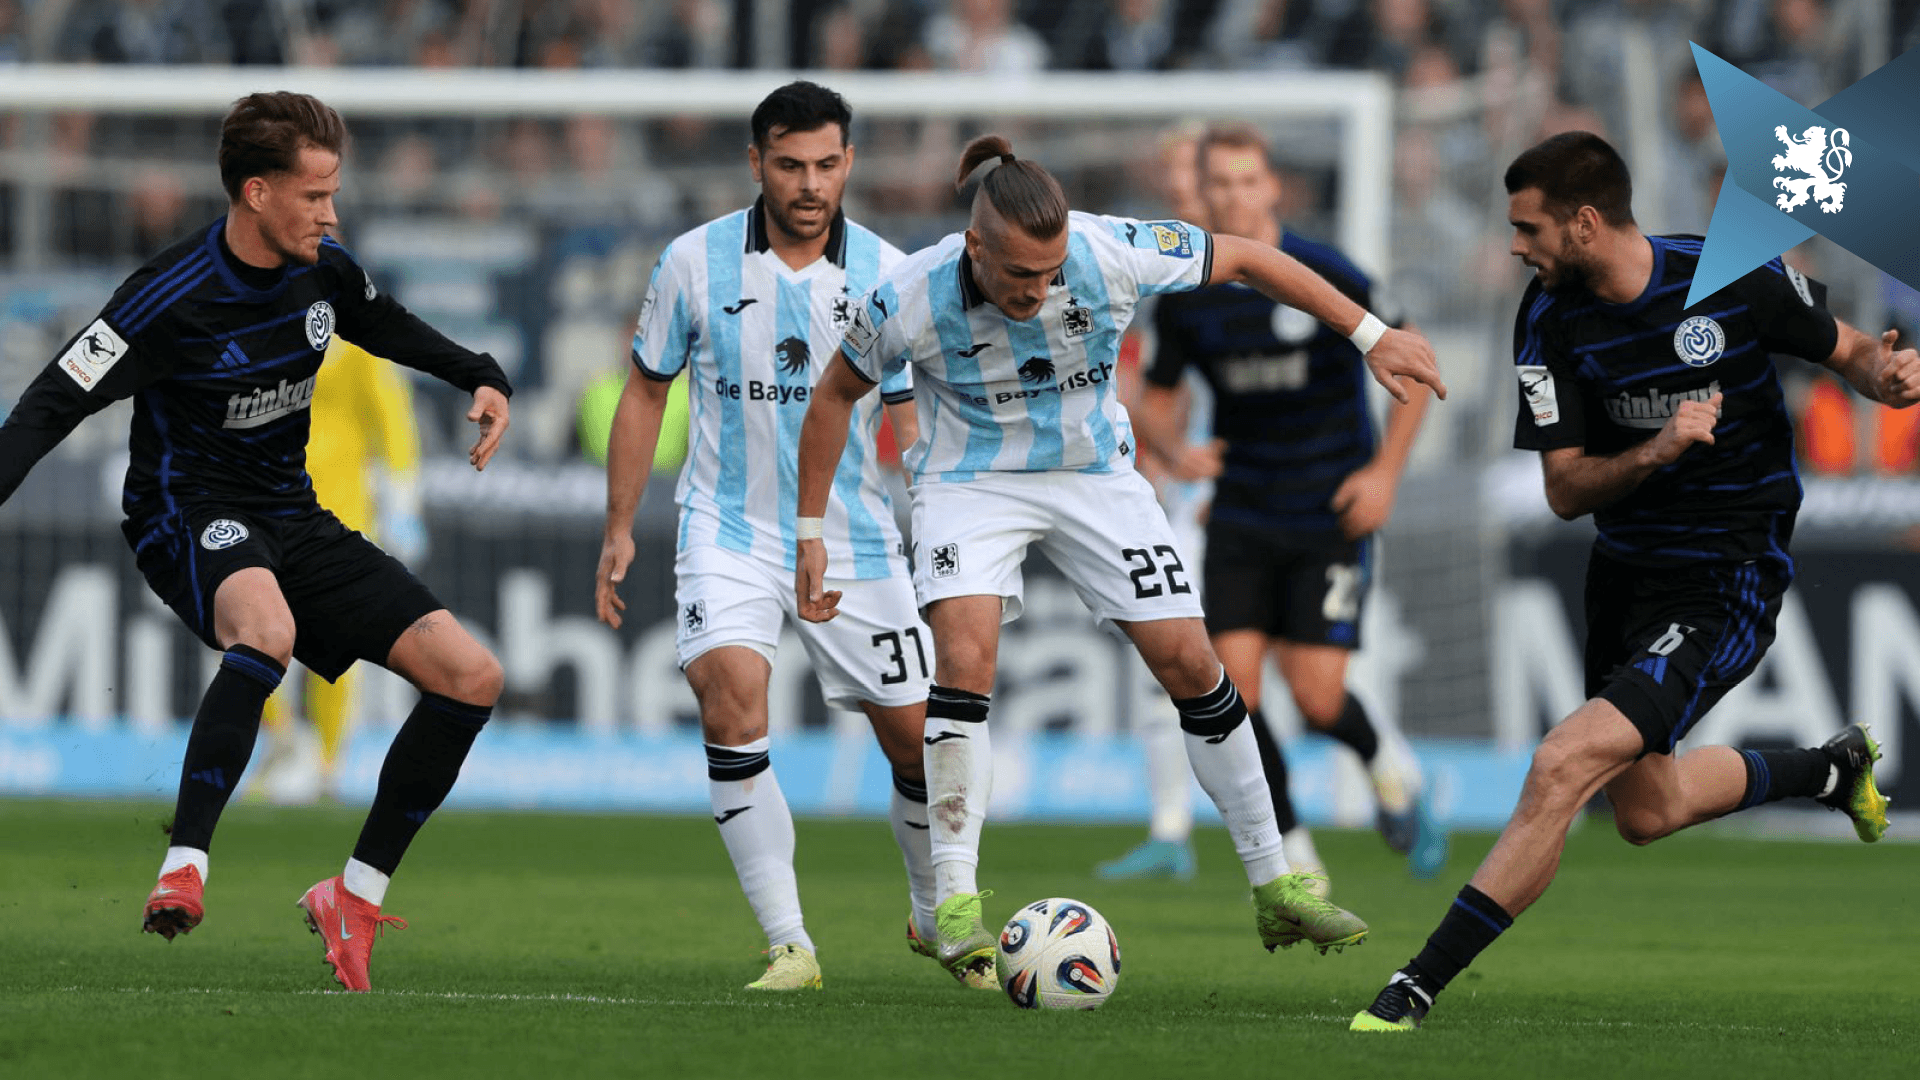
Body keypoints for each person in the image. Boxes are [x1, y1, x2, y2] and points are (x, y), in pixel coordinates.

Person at [794, 134, 1450, 982]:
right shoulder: (909, 295)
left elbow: (1250, 256)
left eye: (1050, 271)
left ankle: (1276, 880)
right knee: (965, 656)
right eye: (1019, 276)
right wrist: (812, 535)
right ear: (975, 248)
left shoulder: (1110, 250)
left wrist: (1369, 336)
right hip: (973, 482)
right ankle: (956, 902)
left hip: (1096, 477)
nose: (1039, 290)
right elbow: (833, 399)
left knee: (1192, 660)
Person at [1352, 132, 1907, 1033]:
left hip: (1725, 573)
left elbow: (1849, 352)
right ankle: (1831, 768)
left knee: (1559, 765)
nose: (1516, 246)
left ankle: (1414, 987)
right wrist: (1658, 446)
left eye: (1528, 228)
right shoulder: (1547, 319)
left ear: (1583, 223)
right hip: (1622, 576)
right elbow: (1566, 489)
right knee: (1647, 810)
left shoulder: (1726, 276)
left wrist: (1888, 374)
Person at [0, 92, 513, 993]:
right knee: (265, 630)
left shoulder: (324, 271)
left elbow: (382, 322)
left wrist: (478, 372)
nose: (332, 213)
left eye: (334, 194)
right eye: (316, 197)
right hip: (185, 515)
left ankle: (352, 896)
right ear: (256, 193)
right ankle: (185, 864)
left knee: (472, 677)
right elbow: (53, 400)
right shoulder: (167, 297)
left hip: (292, 515)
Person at [593, 81, 955, 992]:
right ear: (756, 164)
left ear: (849, 164)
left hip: (856, 538)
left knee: (919, 745)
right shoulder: (691, 262)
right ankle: (791, 943)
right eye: (790, 165)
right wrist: (617, 528)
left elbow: (906, 417)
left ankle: (936, 916)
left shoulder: (889, 269)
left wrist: (940, 506)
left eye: (827, 165)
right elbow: (645, 391)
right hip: (728, 526)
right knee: (730, 698)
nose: (809, 184)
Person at [1114, 123, 1448, 887]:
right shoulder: (1190, 298)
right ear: (1207, 191)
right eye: (1219, 184)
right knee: (1235, 694)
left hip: (1330, 511)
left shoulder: (1325, 272)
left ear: (1271, 187)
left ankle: (1390, 774)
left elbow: (1414, 358)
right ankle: (1295, 851)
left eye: (1245, 181)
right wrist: (1172, 449)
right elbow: (1155, 403)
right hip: (1239, 513)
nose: (1232, 195)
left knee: (1320, 695)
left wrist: (1385, 476)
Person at [258, 337, 428, 803]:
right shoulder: (265, 332)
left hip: (340, 516)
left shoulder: (358, 344)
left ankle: (329, 765)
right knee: (253, 632)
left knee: (330, 644)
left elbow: (391, 418)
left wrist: (403, 502)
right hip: (268, 508)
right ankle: (284, 746)